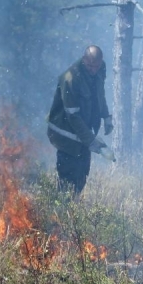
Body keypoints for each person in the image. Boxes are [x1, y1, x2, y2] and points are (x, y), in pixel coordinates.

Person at [47, 45, 114, 195]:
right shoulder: (70, 78)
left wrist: (106, 116)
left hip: (82, 134)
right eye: (89, 65)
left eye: (95, 66)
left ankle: (73, 212)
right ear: (84, 59)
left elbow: (99, 94)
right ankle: (59, 211)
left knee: (81, 175)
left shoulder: (100, 69)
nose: (93, 69)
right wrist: (91, 141)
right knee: (67, 177)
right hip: (65, 136)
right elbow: (73, 116)